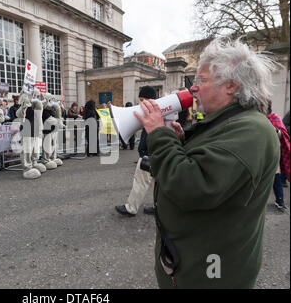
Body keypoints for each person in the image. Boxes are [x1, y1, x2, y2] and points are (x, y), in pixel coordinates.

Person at [136, 38, 280, 288]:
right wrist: (178, 142)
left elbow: (192, 186)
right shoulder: (233, 123)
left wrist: (159, 136)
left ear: (231, 86)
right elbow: (208, 163)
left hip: (210, 275)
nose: (193, 88)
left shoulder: (251, 131)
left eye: (201, 80)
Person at [115, 86, 157, 217]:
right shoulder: (155, 112)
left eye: (142, 99)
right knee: (160, 184)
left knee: (140, 181)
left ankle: (131, 208)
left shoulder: (153, 113)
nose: (140, 103)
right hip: (154, 153)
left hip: (149, 154)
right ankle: (161, 208)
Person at [266, 101, 290, 210]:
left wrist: (273, 130)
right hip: (260, 152)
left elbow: (282, 133)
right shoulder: (257, 118)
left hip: (273, 152)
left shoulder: (275, 117)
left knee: (276, 176)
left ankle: (280, 200)